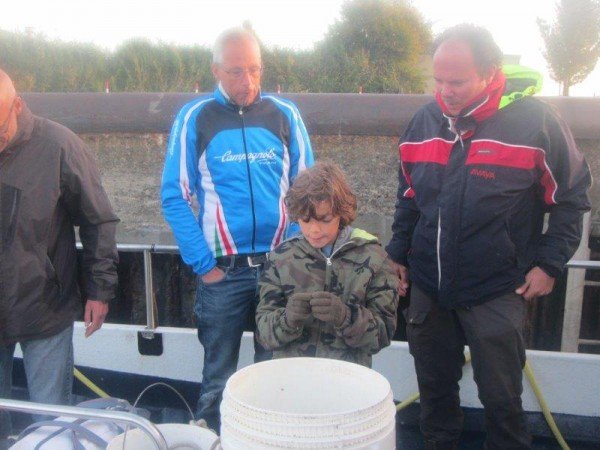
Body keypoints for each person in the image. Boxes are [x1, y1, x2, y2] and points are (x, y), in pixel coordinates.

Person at [385, 24, 592, 450]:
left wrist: (550, 264)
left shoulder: (537, 123)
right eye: (438, 80)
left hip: (499, 288)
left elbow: (571, 198)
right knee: (435, 395)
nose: (446, 91)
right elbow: (408, 196)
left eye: (457, 81)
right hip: (428, 287)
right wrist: (397, 253)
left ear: (489, 72)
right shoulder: (423, 122)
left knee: (502, 400)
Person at [161, 27, 314, 430]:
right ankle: (212, 436)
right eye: (234, 72)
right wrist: (203, 265)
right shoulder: (195, 117)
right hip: (222, 273)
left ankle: (270, 437)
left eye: (254, 69)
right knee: (218, 378)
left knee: (275, 374)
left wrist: (294, 257)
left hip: (278, 269)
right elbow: (173, 196)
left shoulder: (286, 115)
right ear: (215, 70)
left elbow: (308, 192)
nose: (246, 81)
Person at [0, 70, 119, 437]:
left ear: (17, 106)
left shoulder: (60, 145)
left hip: (45, 309)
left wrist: (100, 290)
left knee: (51, 425)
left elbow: (98, 220)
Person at [256, 162, 399, 368]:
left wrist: (345, 317)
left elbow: (383, 335)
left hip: (348, 380)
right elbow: (264, 334)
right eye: (305, 221)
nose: (314, 230)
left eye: (324, 219)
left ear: (342, 212)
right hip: (291, 380)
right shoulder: (281, 258)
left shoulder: (374, 257)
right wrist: (287, 320)